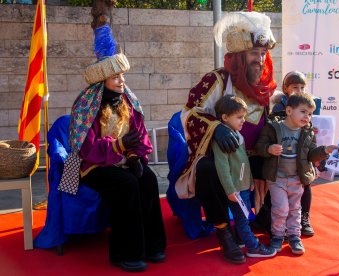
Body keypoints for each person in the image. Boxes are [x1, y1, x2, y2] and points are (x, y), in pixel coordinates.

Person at [58, 1, 166, 272]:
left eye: (122, 76)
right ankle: (124, 253)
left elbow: (139, 134)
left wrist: (135, 156)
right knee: (126, 185)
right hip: (94, 167)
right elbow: (85, 149)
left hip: (122, 161)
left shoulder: (128, 100)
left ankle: (153, 246)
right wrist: (118, 146)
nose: (121, 81)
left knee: (149, 179)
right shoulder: (86, 105)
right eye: (115, 77)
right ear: (102, 79)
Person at [172, 11, 277, 264]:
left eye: (263, 54)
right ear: (240, 56)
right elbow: (190, 113)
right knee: (208, 170)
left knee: (283, 161)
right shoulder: (216, 79)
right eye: (254, 53)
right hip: (219, 156)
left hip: (252, 155)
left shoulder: (263, 86)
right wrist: (216, 128)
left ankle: (274, 220)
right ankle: (223, 232)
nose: (260, 60)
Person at [255, 93, 337, 255]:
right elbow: (260, 146)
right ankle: (278, 236)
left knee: (295, 209)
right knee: (281, 209)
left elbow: (311, 154)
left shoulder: (307, 132)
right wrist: (269, 149)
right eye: (303, 112)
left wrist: (325, 151)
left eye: (310, 113)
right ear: (289, 110)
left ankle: (294, 236)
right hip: (277, 178)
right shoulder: (273, 128)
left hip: (297, 179)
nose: (307, 117)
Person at [212, 95, 276, 258]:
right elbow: (223, 167)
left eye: (244, 117)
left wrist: (249, 183)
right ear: (225, 117)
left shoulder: (236, 133)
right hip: (236, 190)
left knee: (244, 217)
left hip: (243, 187)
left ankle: (242, 239)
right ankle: (253, 247)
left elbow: (243, 163)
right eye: (239, 117)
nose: (243, 121)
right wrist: (230, 190)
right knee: (242, 220)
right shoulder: (221, 139)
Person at [270, 71, 316, 236]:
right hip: (284, 161)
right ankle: (280, 228)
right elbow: (274, 127)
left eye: (302, 87)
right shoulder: (279, 106)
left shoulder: (307, 103)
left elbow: (309, 129)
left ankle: (304, 218)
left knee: (306, 183)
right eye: (295, 87)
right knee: (281, 201)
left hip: (301, 157)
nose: (299, 90)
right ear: (286, 88)